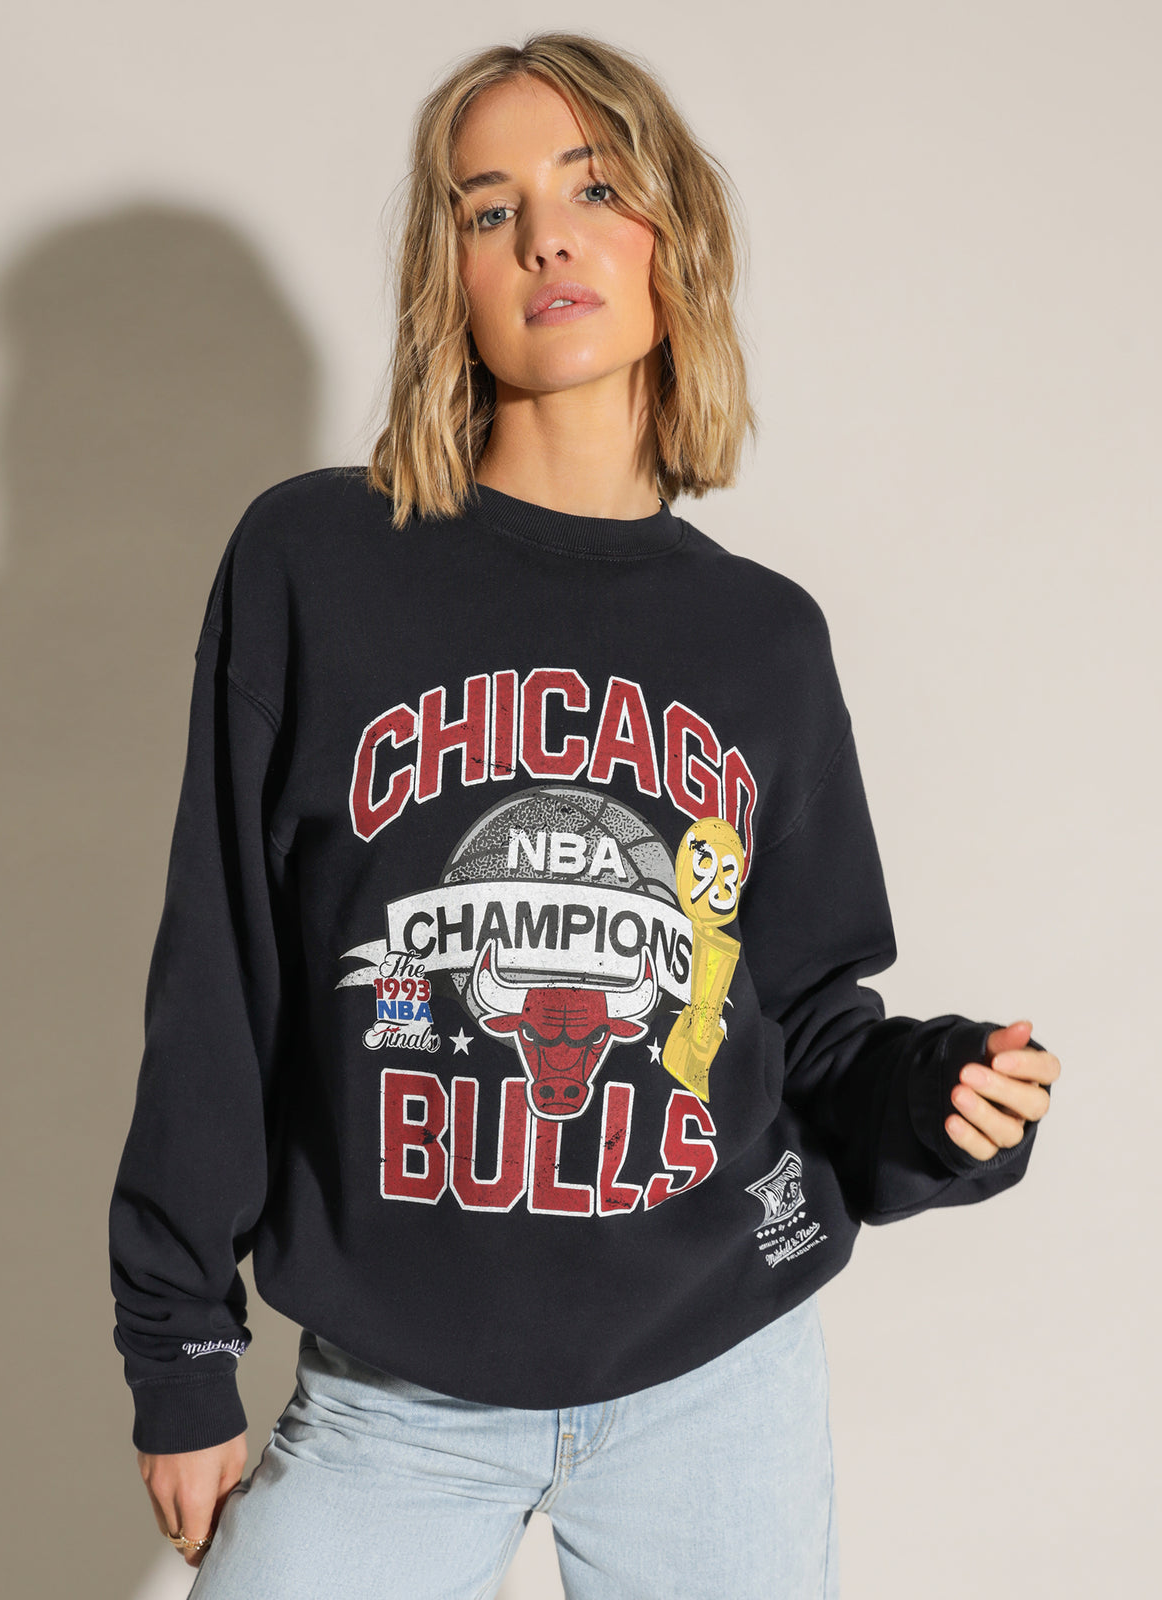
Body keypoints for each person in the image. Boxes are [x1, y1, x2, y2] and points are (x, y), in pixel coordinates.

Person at [108, 31, 1060, 1600]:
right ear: (452, 280)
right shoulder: (316, 564)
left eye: (593, 187)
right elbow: (220, 971)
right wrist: (181, 1345)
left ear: (674, 241)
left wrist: (935, 1098)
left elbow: (804, 1024)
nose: (546, 235)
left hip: (713, 1377)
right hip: (392, 1399)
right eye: (491, 209)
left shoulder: (763, 642)